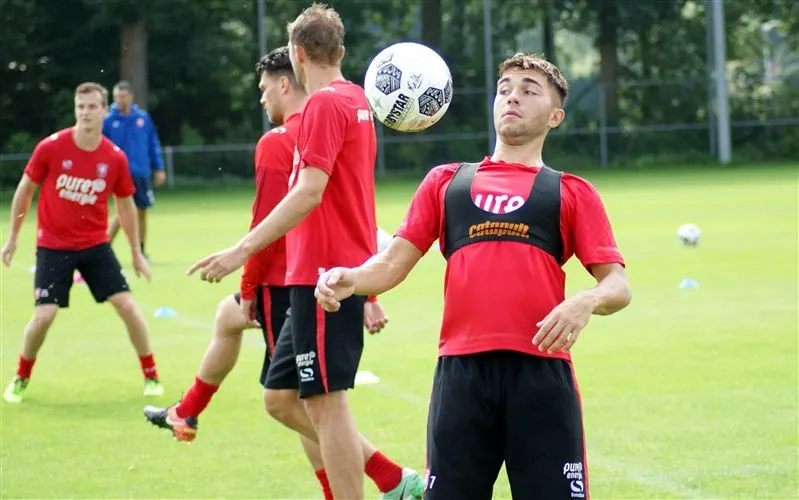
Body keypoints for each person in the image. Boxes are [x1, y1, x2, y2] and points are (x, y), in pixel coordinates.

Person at [315, 53, 633, 499]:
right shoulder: (448, 182)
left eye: (528, 89)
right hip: (461, 377)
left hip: (541, 376)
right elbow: (390, 265)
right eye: (504, 89)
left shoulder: (569, 191)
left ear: (555, 116)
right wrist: (350, 279)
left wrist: (585, 301)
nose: (512, 97)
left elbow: (618, 285)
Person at [148, 45, 418, 500]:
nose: (261, 99)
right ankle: (187, 410)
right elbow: (356, 209)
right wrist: (367, 291)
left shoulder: (285, 136)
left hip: (292, 282)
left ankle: (390, 479)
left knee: (311, 402)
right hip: (314, 279)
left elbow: (269, 221)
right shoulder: (349, 108)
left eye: (264, 88)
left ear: (286, 80)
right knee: (292, 397)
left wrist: (248, 281)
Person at [1, 82, 163, 404]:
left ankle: (151, 375)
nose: (85, 112)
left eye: (92, 107)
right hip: (53, 246)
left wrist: (135, 253)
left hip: (94, 246)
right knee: (44, 315)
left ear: (105, 110)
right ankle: (21, 376)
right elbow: (25, 190)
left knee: (127, 306)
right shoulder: (51, 147)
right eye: (80, 107)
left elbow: (126, 205)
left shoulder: (113, 158)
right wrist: (13, 238)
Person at [103, 80, 166, 260]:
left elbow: (153, 143)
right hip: (119, 173)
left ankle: (141, 251)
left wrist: (159, 167)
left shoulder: (142, 118)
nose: (119, 100)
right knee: (123, 211)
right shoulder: (108, 120)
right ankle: (104, 248)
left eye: (122, 96)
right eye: (116, 97)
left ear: (130, 97)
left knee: (142, 211)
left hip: (141, 171)